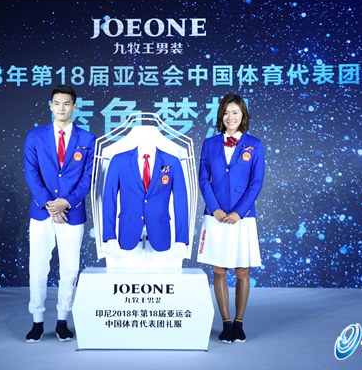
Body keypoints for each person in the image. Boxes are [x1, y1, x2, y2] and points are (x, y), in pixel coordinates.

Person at [23, 84, 96, 343]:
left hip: (71, 214)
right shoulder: (35, 136)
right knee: (38, 268)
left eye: (66, 103)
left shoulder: (88, 139)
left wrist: (67, 202)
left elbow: (88, 177)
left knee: (70, 269)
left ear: (75, 107)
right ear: (50, 106)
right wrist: (49, 203)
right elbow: (31, 172)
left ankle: (63, 320)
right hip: (42, 212)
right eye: (57, 103)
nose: (61, 108)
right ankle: (37, 321)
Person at [196, 93, 265, 344]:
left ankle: (239, 323)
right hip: (216, 216)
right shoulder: (210, 144)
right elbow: (203, 179)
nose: (230, 117)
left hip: (242, 217)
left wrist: (239, 212)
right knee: (219, 269)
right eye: (226, 112)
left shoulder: (255, 144)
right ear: (220, 116)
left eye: (235, 112)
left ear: (243, 115)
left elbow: (256, 182)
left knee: (242, 270)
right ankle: (225, 322)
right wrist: (214, 208)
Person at [101, 144, 189, 266]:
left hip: (160, 230)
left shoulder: (172, 161)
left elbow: (181, 201)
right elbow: (109, 199)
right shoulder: (119, 160)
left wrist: (181, 239)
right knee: (126, 275)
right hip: (128, 229)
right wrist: (110, 235)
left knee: (160, 276)